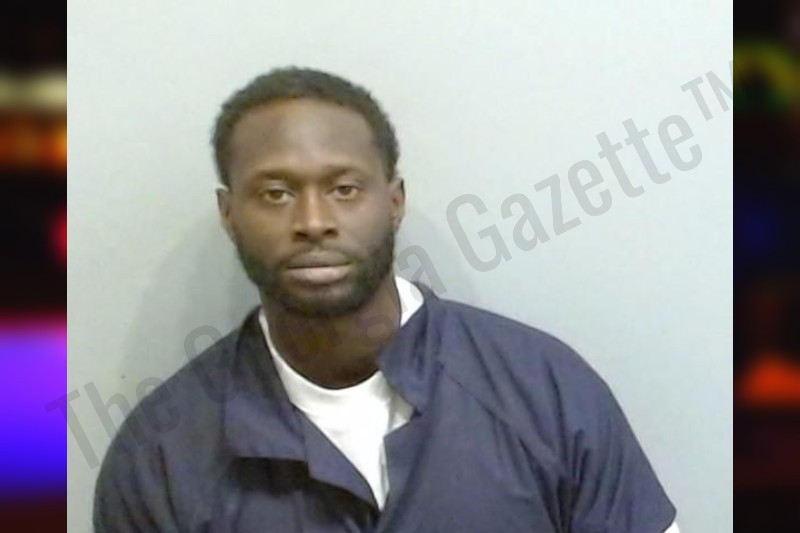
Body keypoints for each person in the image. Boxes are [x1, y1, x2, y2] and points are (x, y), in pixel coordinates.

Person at [94, 67, 679, 532]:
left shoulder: (544, 391)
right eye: (275, 193)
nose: (314, 221)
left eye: (345, 188)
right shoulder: (160, 457)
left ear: (394, 202)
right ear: (229, 214)